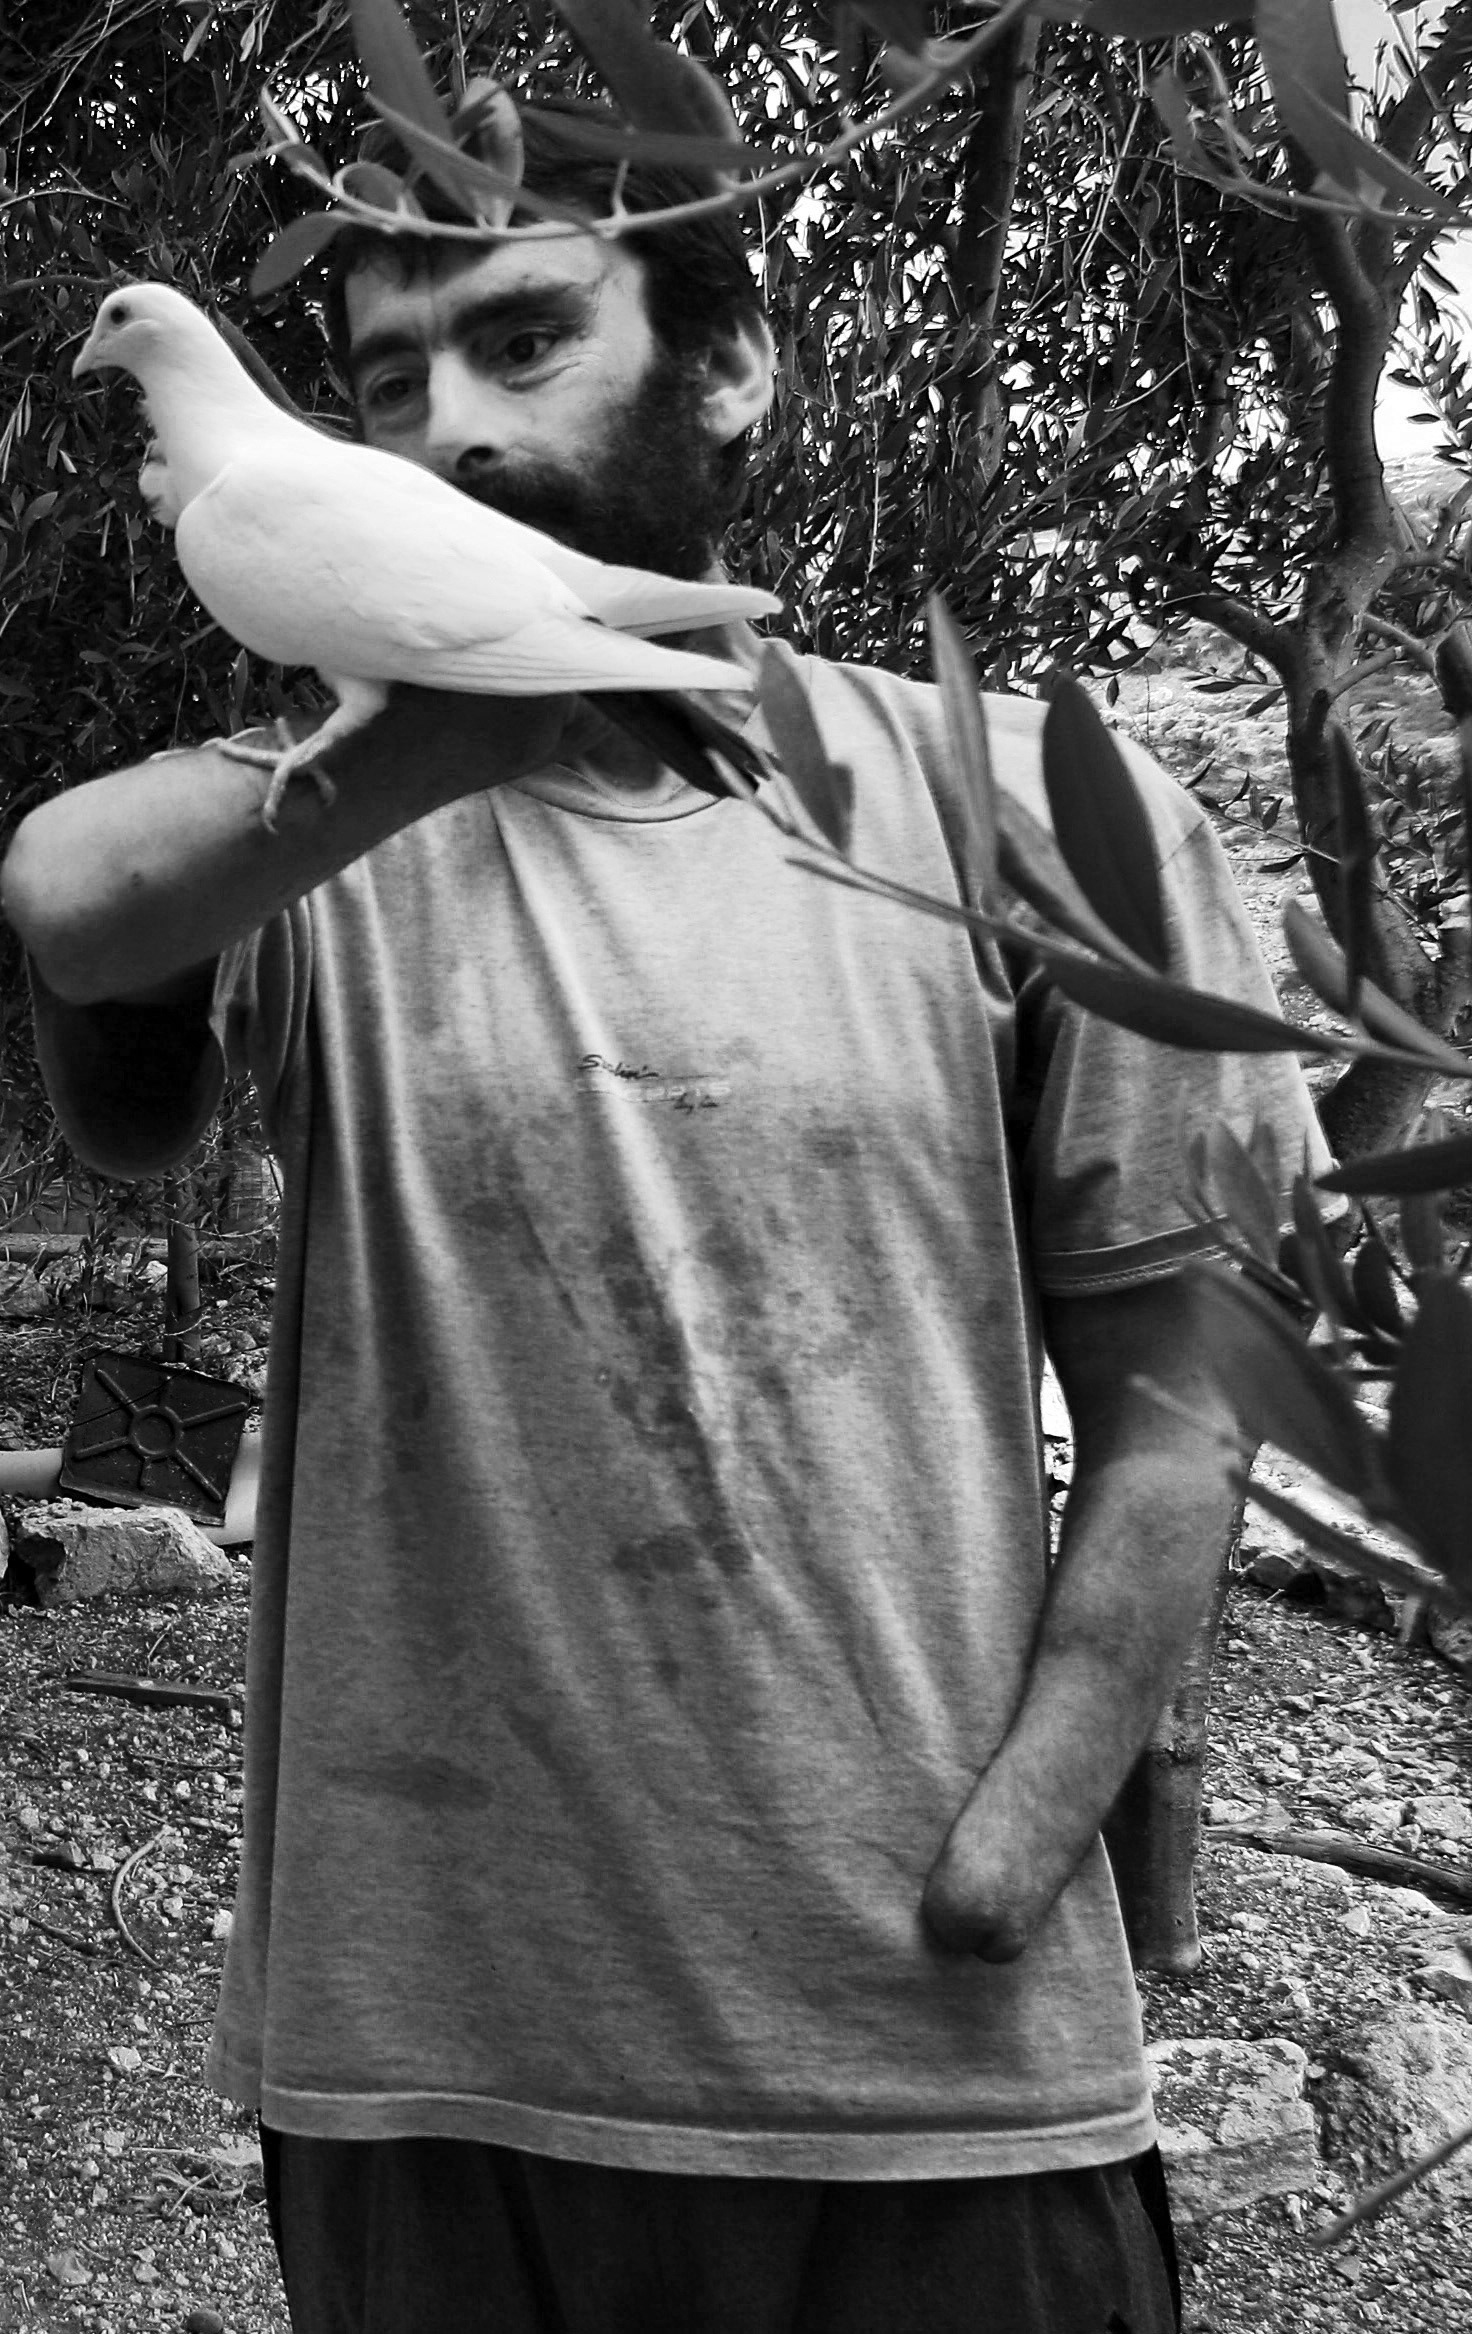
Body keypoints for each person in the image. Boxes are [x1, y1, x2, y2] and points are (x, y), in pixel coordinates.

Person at [2, 99, 1325, 2334]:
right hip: (427, 2050)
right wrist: (414, 722)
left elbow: (1181, 1393)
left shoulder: (1022, 807)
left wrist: (1042, 1820)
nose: (446, 428)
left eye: (524, 342)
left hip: (930, 2053)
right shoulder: (309, 834)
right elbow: (77, 918)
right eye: (393, 382)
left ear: (733, 369)